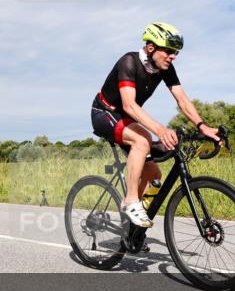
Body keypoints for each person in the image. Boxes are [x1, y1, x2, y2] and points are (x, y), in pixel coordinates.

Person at [90, 22, 222, 227]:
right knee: (142, 141)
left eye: (176, 52)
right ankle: (130, 201)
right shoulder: (129, 62)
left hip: (126, 117)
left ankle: (130, 227)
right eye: (169, 51)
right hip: (105, 113)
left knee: (153, 173)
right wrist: (160, 130)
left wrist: (202, 127)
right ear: (151, 48)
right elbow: (129, 105)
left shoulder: (165, 68)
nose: (173, 56)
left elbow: (182, 100)